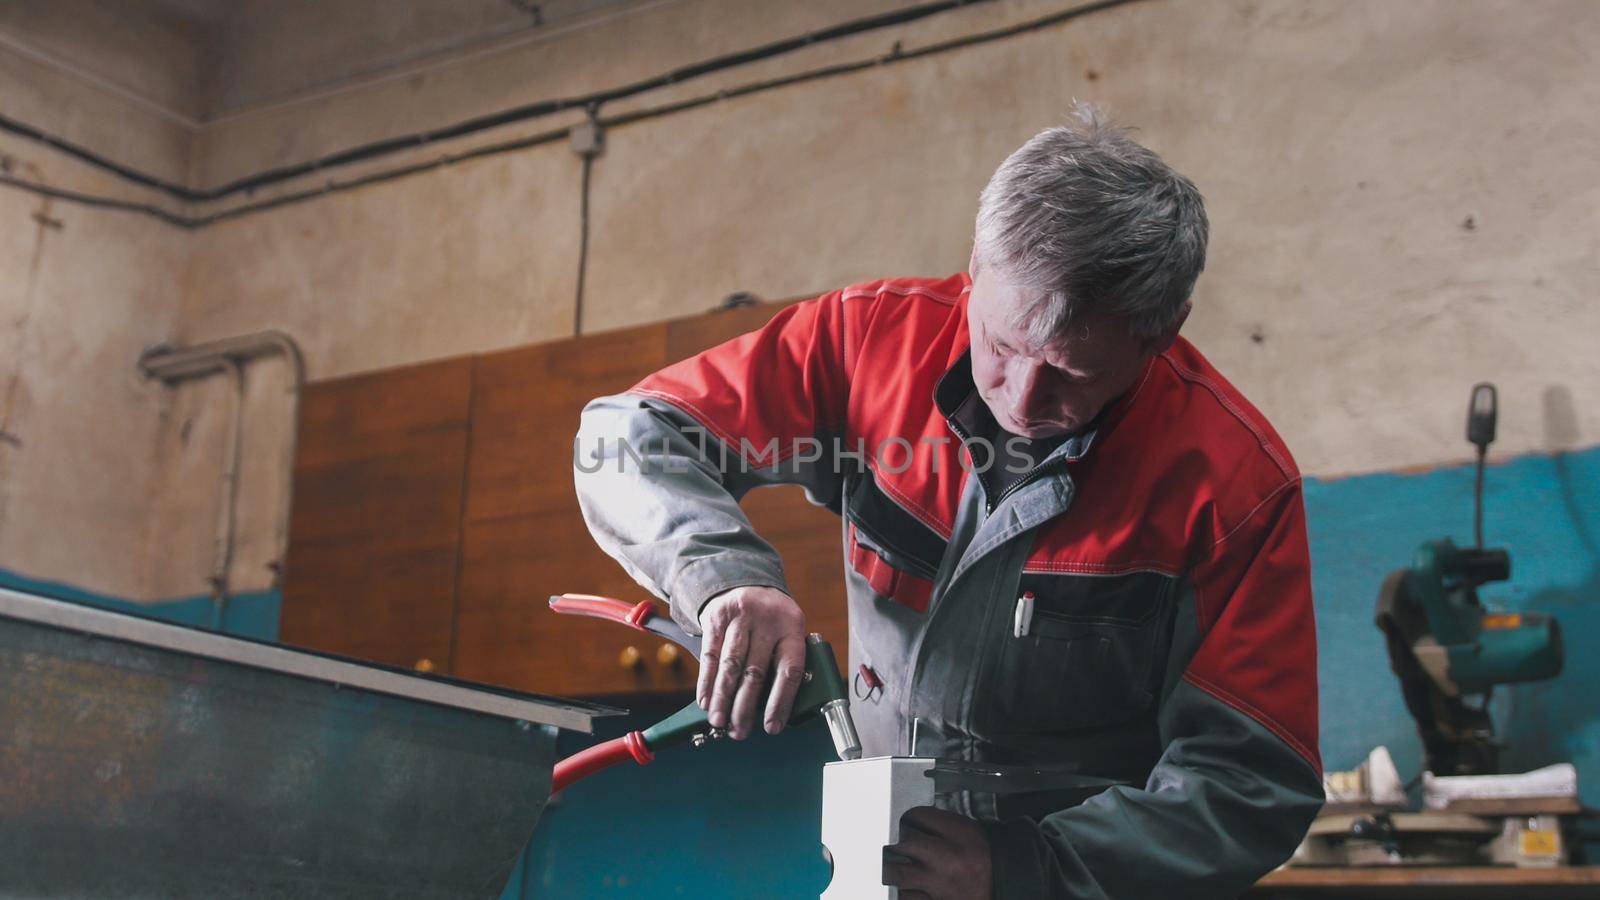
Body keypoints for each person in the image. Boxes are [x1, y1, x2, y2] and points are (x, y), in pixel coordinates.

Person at [573, 105, 1322, 899]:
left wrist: (1030, 868)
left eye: (1072, 374)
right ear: (976, 265)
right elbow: (628, 435)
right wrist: (722, 575)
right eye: (1000, 345)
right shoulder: (868, 347)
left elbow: (1251, 783)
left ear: (1163, 331)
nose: (1024, 398)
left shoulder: (1235, 490)